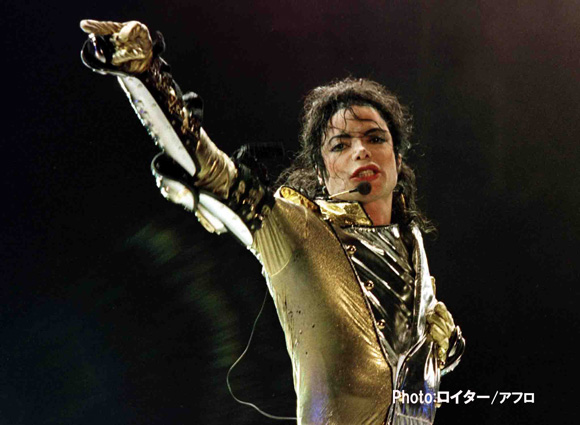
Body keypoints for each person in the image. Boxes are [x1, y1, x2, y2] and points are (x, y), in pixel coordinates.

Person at [80, 19, 465, 425]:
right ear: (322, 172)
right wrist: (144, 73)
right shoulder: (298, 230)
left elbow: (408, 361)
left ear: (397, 160)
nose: (361, 151)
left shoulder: (412, 244)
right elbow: (211, 171)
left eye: (375, 138)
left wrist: (446, 347)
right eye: (341, 144)